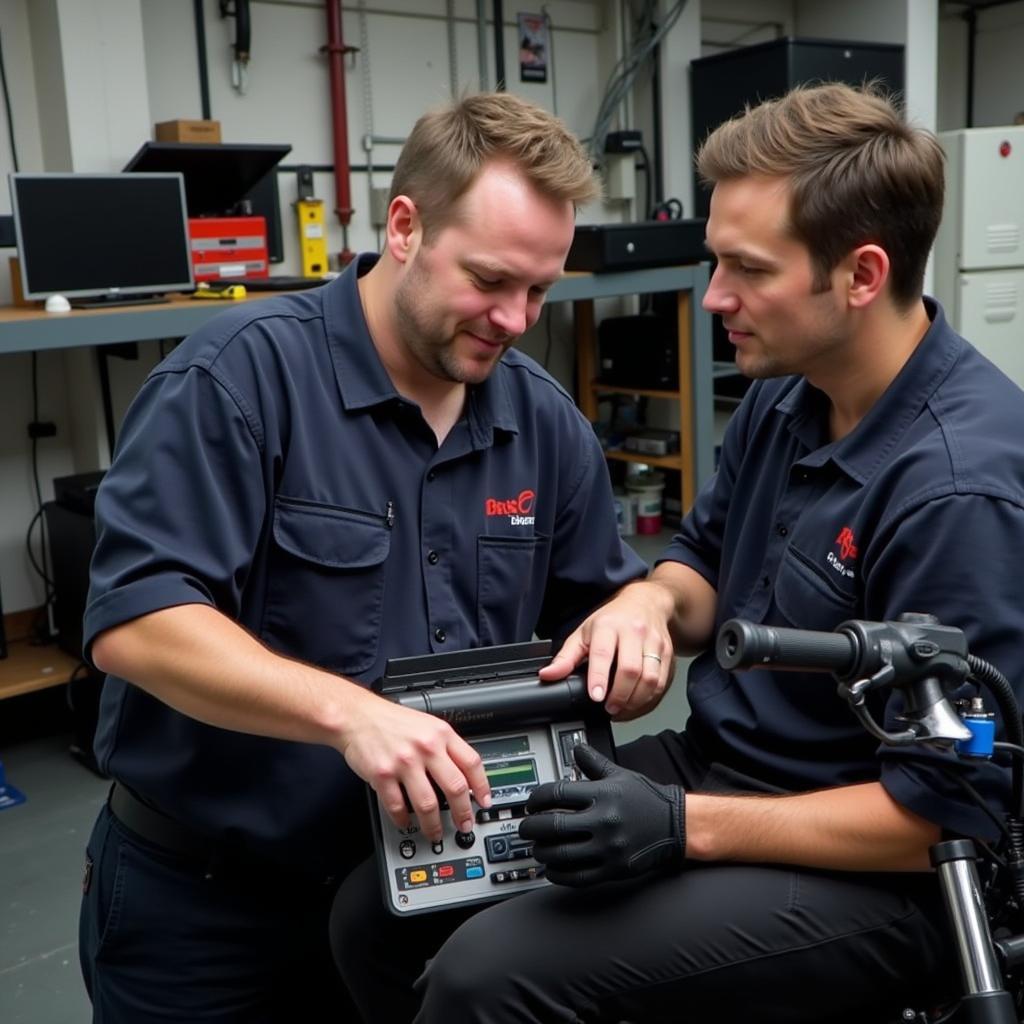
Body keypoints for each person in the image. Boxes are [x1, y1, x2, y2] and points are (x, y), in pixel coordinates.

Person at [376, 82, 1024, 1024]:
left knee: (491, 978)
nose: (714, 296)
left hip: (886, 868)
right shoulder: (786, 390)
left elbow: (943, 812)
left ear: (861, 274)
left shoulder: (960, 489)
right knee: (383, 906)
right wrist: (647, 604)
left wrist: (683, 830)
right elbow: (702, 566)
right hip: (727, 767)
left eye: (746, 269)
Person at [77, 91, 654, 1023]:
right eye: (490, 280)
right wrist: (351, 716)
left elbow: (604, 603)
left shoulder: (543, 423)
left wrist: (639, 613)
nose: (516, 319)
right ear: (403, 226)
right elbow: (140, 621)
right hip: (210, 910)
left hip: (425, 901)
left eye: (540, 291)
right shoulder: (236, 381)